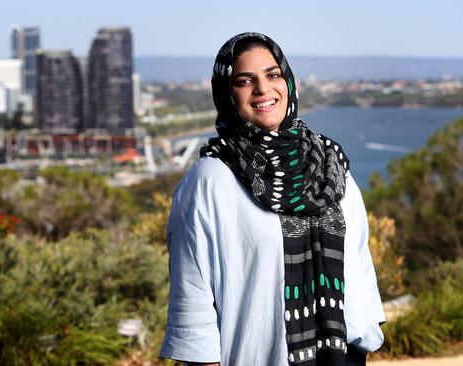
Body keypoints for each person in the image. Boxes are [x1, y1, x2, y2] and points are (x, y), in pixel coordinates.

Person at [159, 32, 385, 366]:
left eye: (273, 74)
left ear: (288, 82)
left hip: (343, 356)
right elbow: (193, 295)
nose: (263, 89)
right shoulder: (211, 179)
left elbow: (360, 258)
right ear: (226, 94)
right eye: (245, 80)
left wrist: (368, 328)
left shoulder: (329, 163)